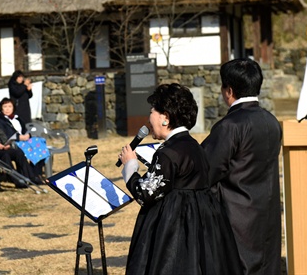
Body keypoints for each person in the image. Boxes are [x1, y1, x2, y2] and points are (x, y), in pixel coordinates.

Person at [119, 83, 241, 274]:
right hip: (203, 228)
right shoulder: (194, 146)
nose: (149, 118)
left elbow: (144, 194)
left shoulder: (169, 153)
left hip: (174, 230)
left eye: (152, 111)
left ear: (165, 118)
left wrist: (130, 167)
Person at [201, 58, 282, 275]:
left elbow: (205, 172)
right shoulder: (271, 121)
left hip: (236, 219)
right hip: (267, 214)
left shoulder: (230, 126)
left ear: (228, 90)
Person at [0, 97, 45, 184]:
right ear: (1, 108)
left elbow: (25, 129)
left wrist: (28, 135)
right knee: (28, 149)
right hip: (14, 141)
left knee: (41, 145)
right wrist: (19, 137)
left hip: (24, 139)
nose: (7, 109)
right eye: (5, 106)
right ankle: (32, 176)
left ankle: (35, 173)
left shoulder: (17, 118)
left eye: (10, 106)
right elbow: (5, 133)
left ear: (13, 107)